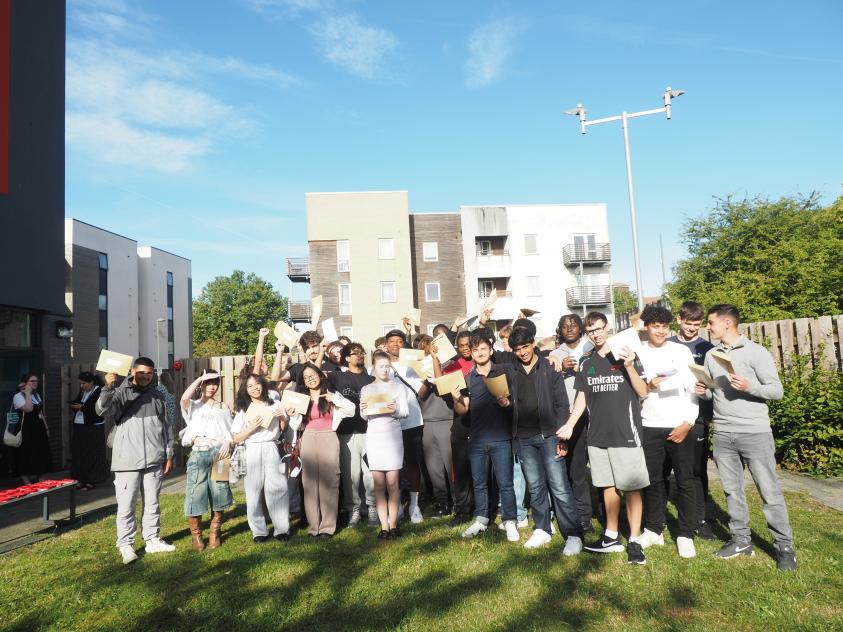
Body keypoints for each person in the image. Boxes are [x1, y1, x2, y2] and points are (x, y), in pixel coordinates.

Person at [695, 304, 796, 571]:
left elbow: (776, 391)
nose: (708, 327)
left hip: (754, 432)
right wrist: (702, 389)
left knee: (769, 491)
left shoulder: (755, 352)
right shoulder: (712, 354)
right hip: (724, 433)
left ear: (728, 323)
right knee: (732, 491)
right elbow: (712, 393)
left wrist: (749, 387)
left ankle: (784, 547)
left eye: (712, 322)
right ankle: (741, 540)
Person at [557, 312, 650, 565]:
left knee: (631, 488)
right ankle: (610, 536)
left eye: (599, 328)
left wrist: (629, 367)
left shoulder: (624, 356)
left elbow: (643, 392)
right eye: (591, 331)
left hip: (625, 434)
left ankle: (634, 540)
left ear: (607, 327)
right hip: (597, 435)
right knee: (607, 487)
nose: (595, 334)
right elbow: (582, 398)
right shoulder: (586, 361)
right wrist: (570, 425)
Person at [506, 327, 583, 554]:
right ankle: (542, 528)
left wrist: (562, 437)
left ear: (533, 344)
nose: (522, 352)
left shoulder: (550, 367)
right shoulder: (511, 372)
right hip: (524, 438)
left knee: (559, 487)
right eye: (517, 349)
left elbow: (562, 404)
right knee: (536, 486)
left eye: (525, 347)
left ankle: (573, 534)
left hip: (549, 435)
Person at [96, 358, 175, 565]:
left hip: (154, 459)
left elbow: (166, 427)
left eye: (149, 373)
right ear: (132, 371)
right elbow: (101, 410)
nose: (145, 376)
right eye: (141, 372)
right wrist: (107, 386)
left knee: (152, 503)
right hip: (126, 461)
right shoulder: (120, 392)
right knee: (126, 505)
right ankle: (126, 545)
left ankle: (152, 540)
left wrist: (169, 453)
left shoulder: (158, 396)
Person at [636, 305, 700, 558]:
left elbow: (692, 390)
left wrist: (688, 423)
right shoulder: (639, 354)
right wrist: (648, 387)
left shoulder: (681, 351)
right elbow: (637, 393)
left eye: (664, 326)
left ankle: (685, 533)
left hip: (679, 425)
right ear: (647, 328)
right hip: (650, 424)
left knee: (685, 481)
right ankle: (654, 529)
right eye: (655, 326)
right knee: (653, 481)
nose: (661, 331)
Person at [452, 332, 519, 541]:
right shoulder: (468, 378)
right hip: (477, 439)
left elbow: (517, 398)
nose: (479, 353)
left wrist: (507, 404)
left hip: (501, 437)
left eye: (483, 349)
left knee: (505, 482)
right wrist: (457, 399)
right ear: (470, 354)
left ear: (491, 350)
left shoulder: (505, 371)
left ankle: (510, 520)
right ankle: (481, 519)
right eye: (475, 350)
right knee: (479, 482)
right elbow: (464, 410)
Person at [290, 363, 355, 537]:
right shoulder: (302, 398)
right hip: (309, 438)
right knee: (309, 483)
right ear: (303, 382)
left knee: (330, 481)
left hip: (329, 436)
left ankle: (327, 526)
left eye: (313, 374)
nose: (310, 378)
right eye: (306, 377)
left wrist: (335, 399)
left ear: (320, 375)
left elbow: (352, 410)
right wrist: (293, 414)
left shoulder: (331, 395)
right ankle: (314, 527)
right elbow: (296, 425)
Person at [669, 300, 716, 540]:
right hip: (668, 414)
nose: (692, 329)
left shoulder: (707, 348)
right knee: (670, 469)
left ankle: (700, 519)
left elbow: (714, 382)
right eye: (688, 324)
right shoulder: (667, 344)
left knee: (697, 470)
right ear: (679, 320)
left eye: (697, 325)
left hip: (697, 416)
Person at [230, 373, 290, 543]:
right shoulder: (243, 409)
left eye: (257, 384)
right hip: (252, 449)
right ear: (245, 389)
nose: (254, 388)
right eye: (249, 386)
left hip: (271, 446)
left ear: (263, 385)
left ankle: (281, 529)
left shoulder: (275, 403)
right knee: (254, 491)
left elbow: (283, 428)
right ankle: (259, 531)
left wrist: (282, 417)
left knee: (278, 487)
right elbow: (236, 438)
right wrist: (251, 428)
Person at [549, 314, 594, 533]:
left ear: (581, 327)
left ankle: (586, 516)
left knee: (581, 471)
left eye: (573, 324)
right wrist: (561, 367)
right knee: (566, 470)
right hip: (564, 417)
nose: (569, 328)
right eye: (564, 325)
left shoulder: (591, 346)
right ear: (559, 330)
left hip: (588, 415)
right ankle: (568, 514)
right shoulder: (554, 355)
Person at [179, 371, 234, 550]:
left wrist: (227, 441)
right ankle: (196, 536)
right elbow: (184, 398)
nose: (212, 386)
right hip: (199, 453)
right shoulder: (193, 406)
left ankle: (214, 532)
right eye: (208, 383)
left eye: (215, 383)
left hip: (220, 454)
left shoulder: (223, 406)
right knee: (195, 491)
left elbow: (230, 430)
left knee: (220, 490)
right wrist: (198, 379)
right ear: (201, 385)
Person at [360, 351, 410, 539]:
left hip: (393, 436)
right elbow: (364, 416)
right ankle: (384, 526)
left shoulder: (397, 387)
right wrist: (363, 410)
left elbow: (405, 412)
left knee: (393, 483)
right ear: (374, 368)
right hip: (374, 436)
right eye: (381, 366)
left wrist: (395, 409)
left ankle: (394, 523)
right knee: (378, 484)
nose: (385, 369)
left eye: (387, 366)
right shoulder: (366, 389)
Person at [329, 342, 376, 527]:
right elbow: (313, 378)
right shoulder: (337, 377)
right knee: (351, 475)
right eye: (354, 353)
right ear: (346, 358)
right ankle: (354, 510)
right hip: (346, 433)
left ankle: (372, 507)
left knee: (370, 473)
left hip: (369, 431)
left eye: (361, 352)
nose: (359, 355)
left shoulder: (372, 380)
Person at [383, 329, 427, 524]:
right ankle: (397, 503)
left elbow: (422, 393)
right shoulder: (378, 366)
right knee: (392, 467)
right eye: (391, 341)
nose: (395, 344)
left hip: (412, 421)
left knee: (412, 464)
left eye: (399, 341)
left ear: (404, 344)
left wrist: (429, 379)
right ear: (386, 345)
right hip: (388, 424)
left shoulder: (412, 366)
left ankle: (414, 504)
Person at [415, 334, 454, 518]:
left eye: (433, 349)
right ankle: (442, 502)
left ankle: (458, 500)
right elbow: (421, 395)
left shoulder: (449, 366)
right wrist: (425, 378)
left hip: (447, 420)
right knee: (434, 467)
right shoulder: (418, 369)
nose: (430, 351)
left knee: (451, 465)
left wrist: (437, 365)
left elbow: (444, 388)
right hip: (427, 422)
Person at [69, 371, 108, 490]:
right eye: (80, 384)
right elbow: (80, 402)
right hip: (80, 426)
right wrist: (75, 405)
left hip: (93, 427)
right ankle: (80, 479)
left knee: (92, 454)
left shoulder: (99, 391)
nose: (81, 386)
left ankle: (91, 480)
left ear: (91, 382)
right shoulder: (83, 391)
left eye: (83, 383)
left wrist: (82, 407)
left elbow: (99, 408)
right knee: (79, 453)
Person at [12, 373, 53, 484]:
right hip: (26, 429)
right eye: (32, 381)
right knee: (25, 454)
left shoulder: (37, 395)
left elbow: (40, 412)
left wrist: (46, 428)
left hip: (38, 429)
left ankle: (41, 481)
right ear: (25, 383)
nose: (35, 383)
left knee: (41, 453)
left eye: (36, 381)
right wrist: (27, 393)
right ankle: (27, 483)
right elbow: (29, 409)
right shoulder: (18, 396)